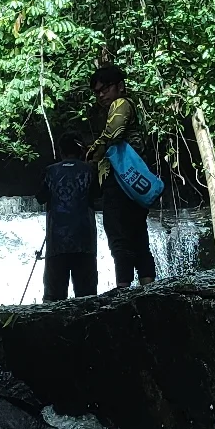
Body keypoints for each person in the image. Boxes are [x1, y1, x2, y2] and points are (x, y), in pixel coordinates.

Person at [86, 63, 157, 289]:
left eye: (105, 88)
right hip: (133, 182)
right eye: (97, 92)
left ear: (120, 86)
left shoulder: (121, 104)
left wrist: (94, 151)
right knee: (137, 236)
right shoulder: (127, 106)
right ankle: (148, 286)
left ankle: (123, 290)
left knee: (119, 237)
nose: (101, 95)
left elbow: (114, 133)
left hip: (120, 182)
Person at [38, 132, 99, 301]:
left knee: (53, 298)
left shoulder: (50, 172)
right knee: (87, 297)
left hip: (57, 241)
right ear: (80, 151)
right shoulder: (90, 171)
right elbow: (97, 194)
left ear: (60, 151)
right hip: (84, 240)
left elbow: (40, 197)